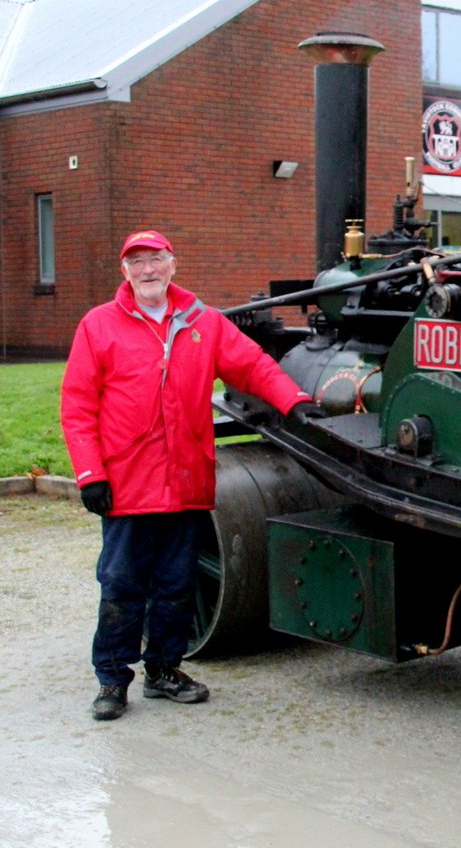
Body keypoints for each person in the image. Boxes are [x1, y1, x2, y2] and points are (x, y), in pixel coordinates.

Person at [60, 230, 323, 721]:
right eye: (137, 262)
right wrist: (90, 473)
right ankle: (113, 680)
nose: (148, 270)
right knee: (121, 584)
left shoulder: (203, 323)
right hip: (127, 488)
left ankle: (164, 671)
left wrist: (296, 402)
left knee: (176, 585)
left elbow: (252, 366)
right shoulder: (99, 326)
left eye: (155, 260)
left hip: (185, 484)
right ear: (126, 272)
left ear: (172, 265)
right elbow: (77, 406)